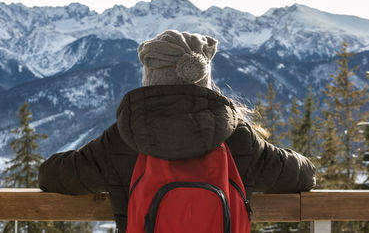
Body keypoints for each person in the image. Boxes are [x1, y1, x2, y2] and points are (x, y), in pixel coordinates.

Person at [39, 30, 316, 233]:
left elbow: (53, 176)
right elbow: (302, 175)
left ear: (150, 76)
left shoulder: (124, 137)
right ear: (205, 77)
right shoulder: (236, 136)